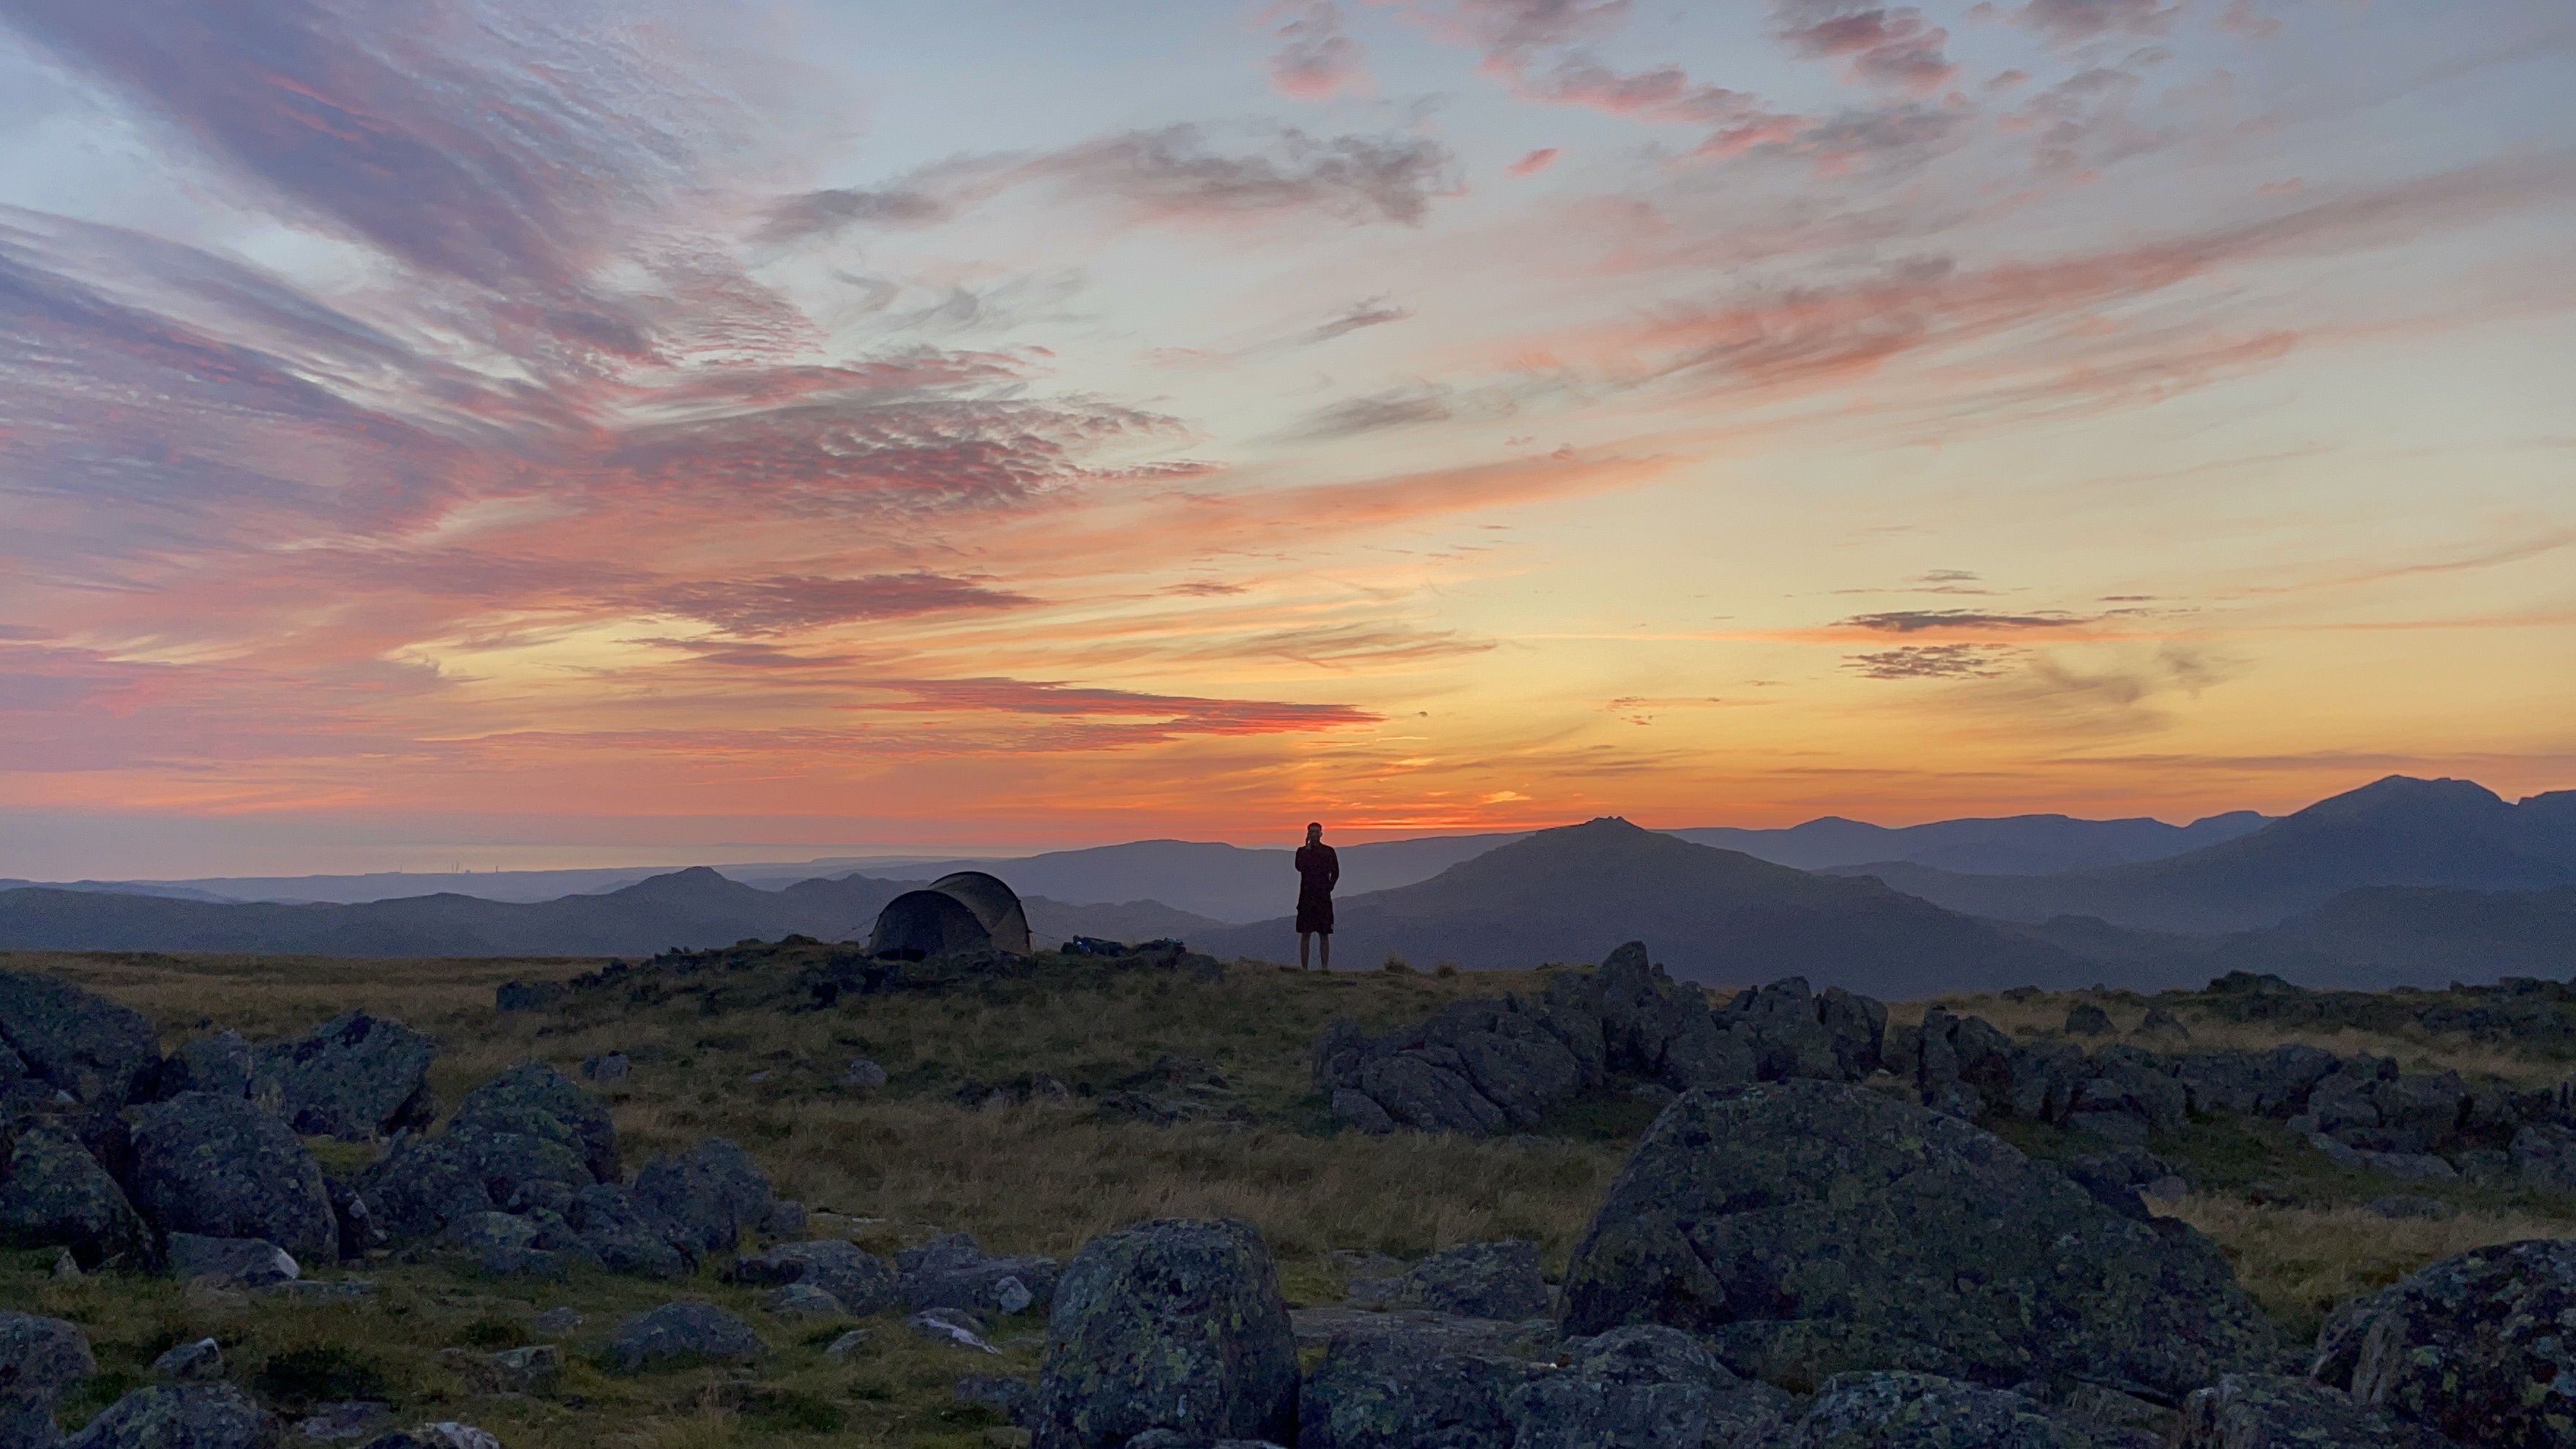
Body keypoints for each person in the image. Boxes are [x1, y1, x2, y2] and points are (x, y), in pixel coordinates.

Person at [1294, 821, 1339, 970]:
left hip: (1323, 898)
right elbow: (1300, 867)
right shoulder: (1301, 852)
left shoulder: (1329, 852)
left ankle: (1325, 968)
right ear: (1308, 833)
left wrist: (1328, 888)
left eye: (1316, 831)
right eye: (1311, 832)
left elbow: (1336, 873)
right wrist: (1307, 848)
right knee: (1305, 934)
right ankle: (1304, 968)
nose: (1314, 834)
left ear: (1321, 833)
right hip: (1306, 898)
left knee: (1324, 934)